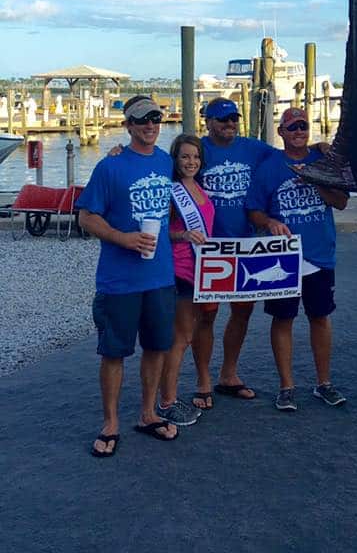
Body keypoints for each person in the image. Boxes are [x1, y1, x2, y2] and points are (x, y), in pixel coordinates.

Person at [78, 96, 178, 457]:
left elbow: (197, 169)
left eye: (155, 117)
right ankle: (110, 423)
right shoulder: (110, 167)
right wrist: (123, 238)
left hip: (160, 277)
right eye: (141, 119)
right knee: (114, 352)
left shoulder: (167, 162)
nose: (150, 124)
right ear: (128, 125)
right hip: (119, 280)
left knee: (157, 347)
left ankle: (147, 413)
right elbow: (86, 217)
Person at [247, 108, 349, 411]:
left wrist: (315, 178)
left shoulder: (323, 161)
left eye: (303, 126)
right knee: (283, 319)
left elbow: (341, 202)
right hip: (284, 256)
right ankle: (286, 386)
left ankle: (324, 383)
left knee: (320, 317)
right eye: (291, 127)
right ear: (281, 132)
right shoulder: (269, 167)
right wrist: (268, 224)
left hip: (319, 255)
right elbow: (253, 210)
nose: (298, 132)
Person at [195, 97, 277, 404]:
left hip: (246, 245)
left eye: (233, 118)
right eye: (222, 119)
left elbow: (290, 159)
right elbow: (165, 165)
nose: (229, 124)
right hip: (209, 246)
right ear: (208, 121)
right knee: (207, 314)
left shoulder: (254, 148)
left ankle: (228, 374)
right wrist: (119, 151)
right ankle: (203, 380)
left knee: (243, 311)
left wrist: (319, 149)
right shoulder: (198, 149)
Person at [156, 134, 214, 424]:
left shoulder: (199, 188)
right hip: (180, 271)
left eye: (195, 157)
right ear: (175, 160)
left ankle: (167, 395)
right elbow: (158, 230)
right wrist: (182, 235)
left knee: (188, 335)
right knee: (180, 338)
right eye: (185, 157)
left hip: (201, 271)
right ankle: (167, 401)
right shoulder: (171, 191)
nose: (191, 162)